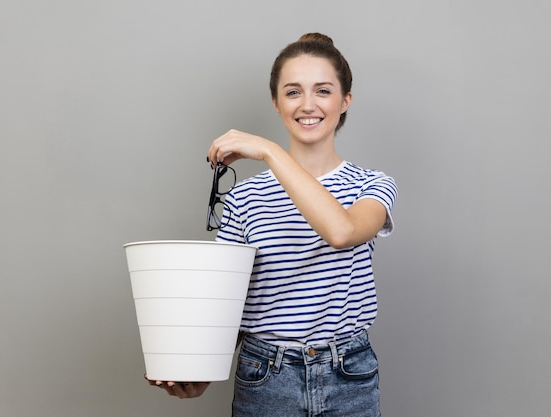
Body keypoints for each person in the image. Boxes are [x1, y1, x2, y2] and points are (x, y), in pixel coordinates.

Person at [146, 32, 397, 417]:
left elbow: (342, 232)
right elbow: (226, 302)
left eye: (324, 91)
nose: (308, 104)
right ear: (276, 103)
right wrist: (199, 369)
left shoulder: (371, 185)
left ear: (345, 100)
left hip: (348, 375)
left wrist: (270, 151)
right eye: (293, 92)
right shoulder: (243, 198)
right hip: (266, 377)